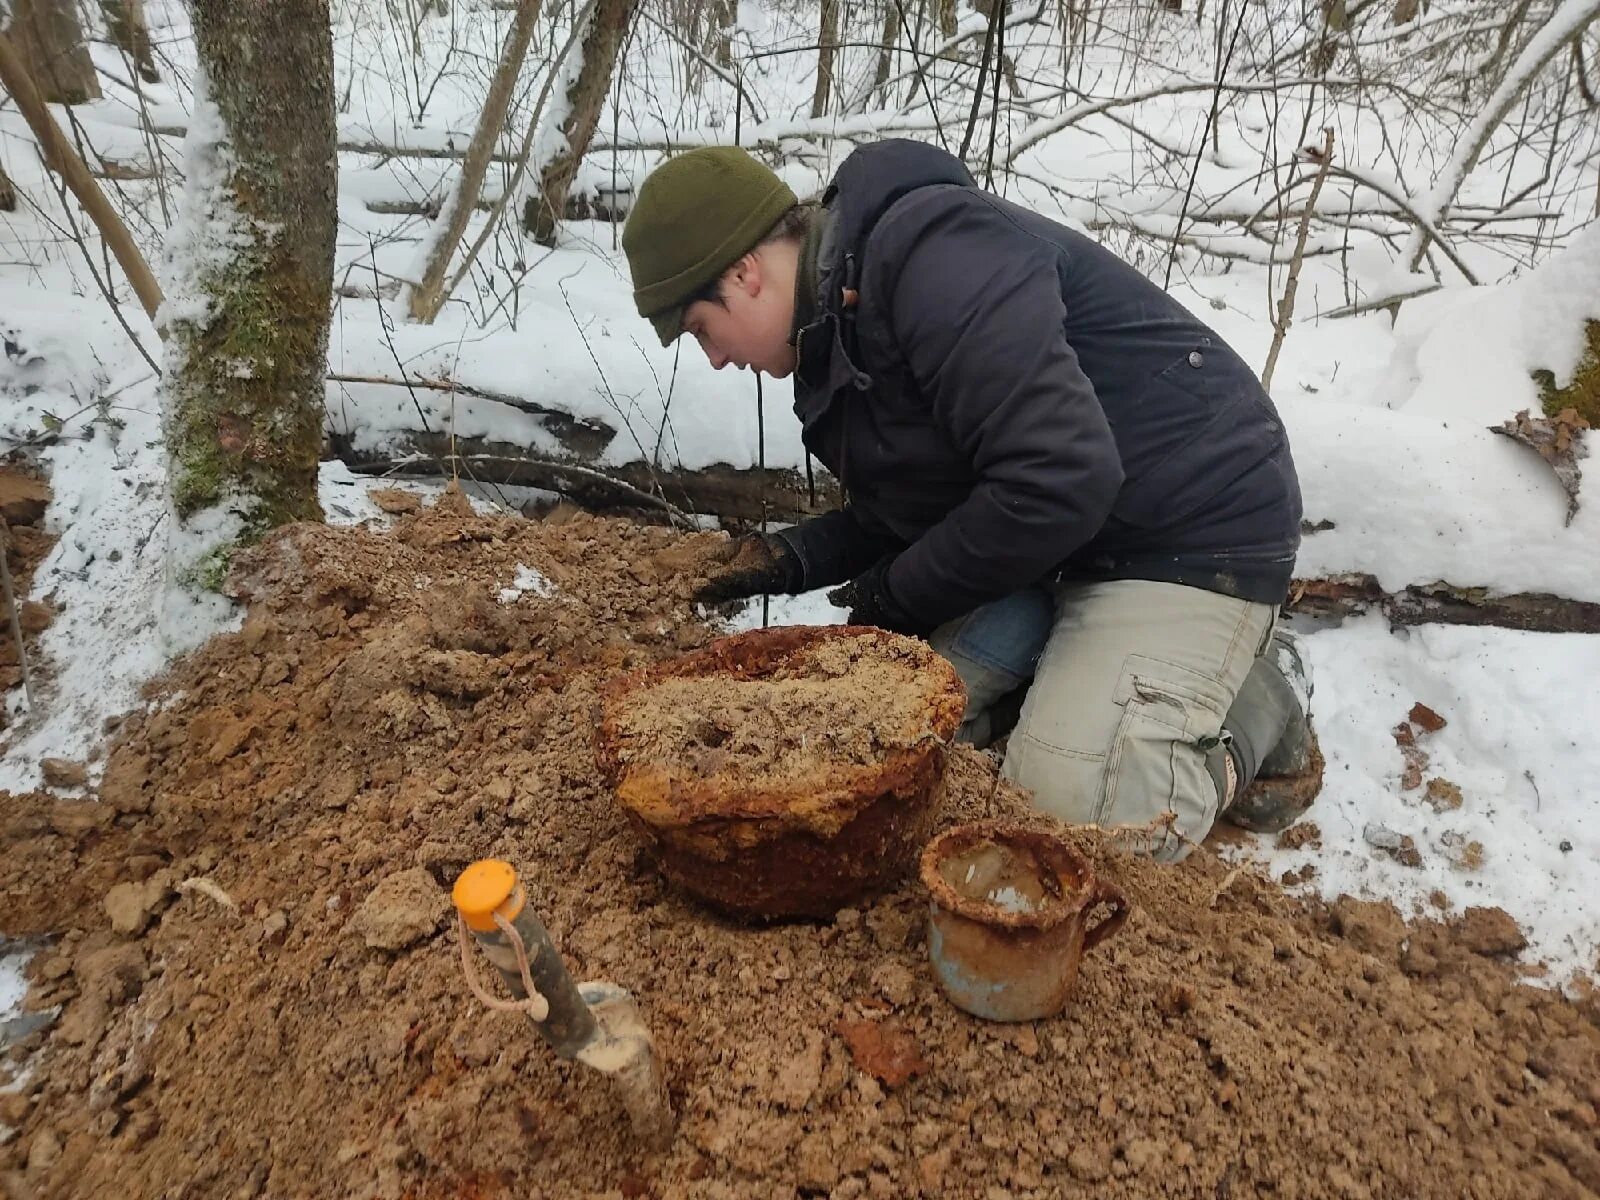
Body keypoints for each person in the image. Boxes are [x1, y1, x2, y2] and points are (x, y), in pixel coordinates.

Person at [621, 139, 1321, 859]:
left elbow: (1057, 480)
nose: (712, 357)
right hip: (1060, 543)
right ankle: (1078, 691)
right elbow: (916, 505)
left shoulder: (935, 260)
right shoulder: (834, 333)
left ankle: (1257, 700)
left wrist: (893, 596)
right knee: (886, 729)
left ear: (744, 272)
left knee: (1077, 822)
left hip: (1187, 528)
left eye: (702, 329)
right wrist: (792, 556)